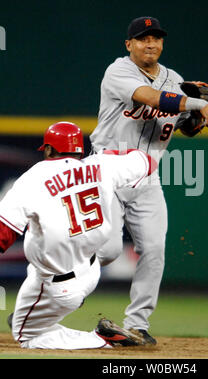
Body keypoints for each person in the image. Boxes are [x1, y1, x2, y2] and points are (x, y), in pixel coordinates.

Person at [90, 16, 208, 344]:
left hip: (147, 176)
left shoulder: (174, 80)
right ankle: (49, 288)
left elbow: (184, 127)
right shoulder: (117, 71)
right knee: (105, 252)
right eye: (143, 38)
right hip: (109, 169)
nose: (151, 44)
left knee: (154, 248)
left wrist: (194, 119)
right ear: (129, 44)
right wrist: (197, 103)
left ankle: (137, 324)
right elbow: (150, 98)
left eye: (156, 38)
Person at [0, 121, 156, 349]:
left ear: (48, 149)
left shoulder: (32, 179)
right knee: (31, 289)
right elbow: (146, 161)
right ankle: (33, 316)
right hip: (91, 270)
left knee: (28, 337)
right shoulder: (102, 165)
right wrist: (109, 155)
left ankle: (102, 340)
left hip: (57, 285)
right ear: (79, 150)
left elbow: (3, 232)